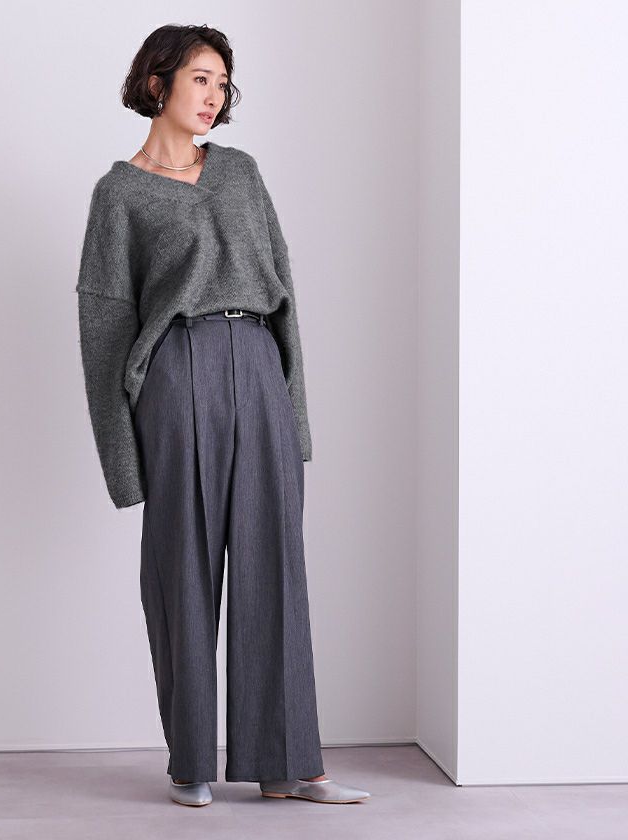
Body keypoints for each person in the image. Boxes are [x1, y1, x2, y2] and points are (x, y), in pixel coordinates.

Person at [75, 23, 370, 807]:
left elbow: (285, 291)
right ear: (157, 83)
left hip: (258, 363)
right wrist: (123, 465)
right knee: (182, 567)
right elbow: (104, 331)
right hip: (176, 370)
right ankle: (191, 764)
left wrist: (295, 415)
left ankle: (288, 765)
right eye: (200, 78)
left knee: (277, 565)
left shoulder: (240, 172)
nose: (214, 95)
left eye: (222, 83)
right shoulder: (120, 194)